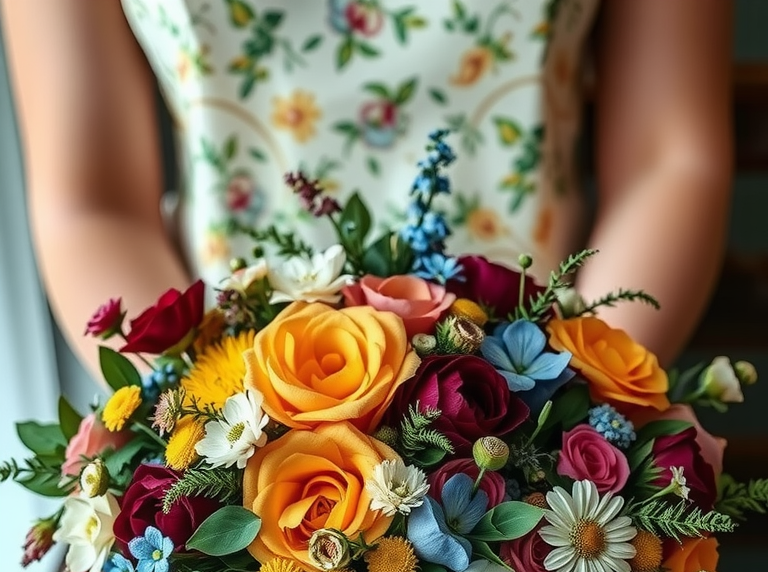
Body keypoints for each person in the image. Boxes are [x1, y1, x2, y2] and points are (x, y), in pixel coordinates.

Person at [0, 0, 732, 384]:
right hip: (222, 384)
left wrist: (573, 412)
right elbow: (92, 204)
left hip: (547, 369)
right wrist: (210, 438)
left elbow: (671, 159)